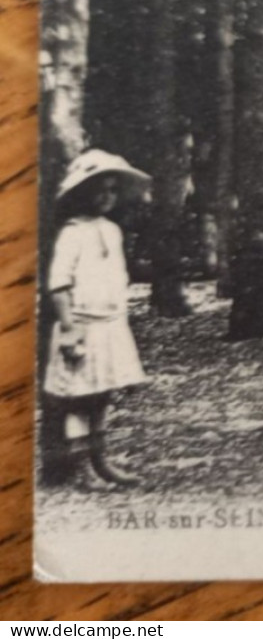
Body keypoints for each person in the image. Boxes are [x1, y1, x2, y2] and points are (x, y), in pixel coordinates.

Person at [43, 150, 152, 490]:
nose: (106, 196)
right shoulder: (72, 233)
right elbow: (58, 285)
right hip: (82, 324)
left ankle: (100, 460)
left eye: (111, 189)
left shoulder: (113, 231)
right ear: (82, 193)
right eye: (98, 189)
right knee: (79, 396)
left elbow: (117, 278)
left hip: (110, 323)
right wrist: (69, 327)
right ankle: (79, 468)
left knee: (104, 393)